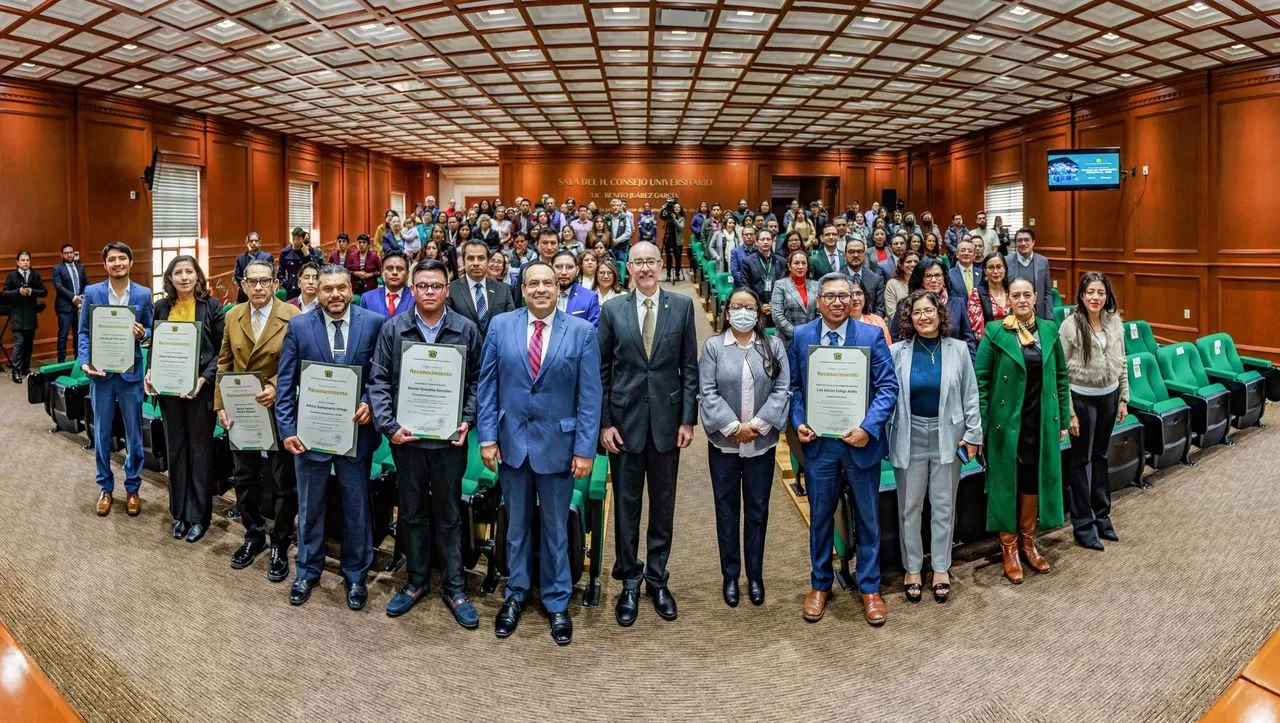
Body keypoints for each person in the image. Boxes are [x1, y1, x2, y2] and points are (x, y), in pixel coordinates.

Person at [477, 262, 601, 645]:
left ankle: (557, 601)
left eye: (548, 282)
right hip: (512, 444)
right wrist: (487, 437)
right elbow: (487, 386)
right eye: (534, 283)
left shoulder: (581, 332)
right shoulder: (500, 326)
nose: (541, 289)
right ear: (523, 289)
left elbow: (590, 397)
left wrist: (585, 449)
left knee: (555, 530)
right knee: (515, 528)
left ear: (558, 288)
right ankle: (515, 594)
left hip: (559, 447)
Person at [369, 259, 483, 627]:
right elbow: (378, 381)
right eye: (422, 286)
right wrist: (389, 426)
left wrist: (467, 419)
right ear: (412, 290)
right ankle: (415, 581)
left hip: (450, 444)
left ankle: (454, 586)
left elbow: (477, 382)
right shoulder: (393, 329)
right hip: (407, 441)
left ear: (447, 290)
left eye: (436, 286)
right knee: (412, 512)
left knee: (449, 514)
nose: (429, 291)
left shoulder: (466, 329)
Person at [787, 273, 898, 625]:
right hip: (820, 446)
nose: (837, 302)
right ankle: (820, 584)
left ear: (853, 300)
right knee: (820, 517)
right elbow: (794, 388)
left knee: (868, 518)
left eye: (844, 296)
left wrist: (868, 428)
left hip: (860, 444)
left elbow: (888, 387)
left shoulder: (869, 335)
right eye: (830, 296)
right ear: (818, 302)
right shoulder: (801, 336)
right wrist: (799, 421)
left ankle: (870, 587)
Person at [598, 241, 698, 627]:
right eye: (637, 262)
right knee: (626, 509)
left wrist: (687, 420)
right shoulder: (613, 310)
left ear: (660, 265)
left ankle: (657, 579)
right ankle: (629, 580)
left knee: (663, 506)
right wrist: (605, 423)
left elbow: (689, 367)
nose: (644, 268)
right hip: (624, 426)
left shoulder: (682, 306)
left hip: (667, 425)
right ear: (629, 268)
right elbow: (601, 370)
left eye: (650, 262)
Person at [275, 264, 382, 610]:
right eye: (327, 289)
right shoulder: (299, 326)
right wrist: (287, 430)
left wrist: (369, 402)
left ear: (351, 289)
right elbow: (285, 383)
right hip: (310, 434)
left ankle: (356, 575)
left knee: (356, 506)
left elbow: (381, 378)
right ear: (316, 292)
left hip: (356, 433)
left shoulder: (374, 323)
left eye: (341, 288)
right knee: (310, 505)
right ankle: (307, 571)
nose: (335, 295)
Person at [975, 277, 1071, 585]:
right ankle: (1009, 546)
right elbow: (981, 382)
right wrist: (982, 427)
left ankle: (1028, 542)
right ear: (1008, 299)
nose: (1021, 300)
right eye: (1015, 295)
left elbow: (1061, 376)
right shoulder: (995, 332)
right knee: (1006, 482)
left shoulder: (1049, 330)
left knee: (1031, 480)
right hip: (1005, 424)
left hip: (1039, 421)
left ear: (1035, 296)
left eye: (1026, 294)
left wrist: (1064, 419)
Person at [888, 290, 982, 604]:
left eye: (929, 310)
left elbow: (970, 395)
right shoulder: (896, 351)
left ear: (940, 314)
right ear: (909, 319)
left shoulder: (958, 349)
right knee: (910, 506)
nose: (923, 317)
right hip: (909, 435)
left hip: (948, 436)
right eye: (917, 312)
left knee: (943, 505)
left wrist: (973, 435)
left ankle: (941, 566)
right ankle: (912, 568)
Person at [698, 288, 790, 608]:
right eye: (737, 306)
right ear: (727, 312)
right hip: (723, 444)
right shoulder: (714, 347)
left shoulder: (773, 345)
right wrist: (734, 428)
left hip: (761, 445)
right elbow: (707, 392)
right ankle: (730, 575)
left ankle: (755, 576)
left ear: (758, 312)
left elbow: (782, 389)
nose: (743, 312)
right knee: (726, 511)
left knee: (757, 511)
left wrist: (758, 426)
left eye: (749, 307)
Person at [217, 259, 300, 582]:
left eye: (265, 281)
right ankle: (253, 534)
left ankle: (280, 541)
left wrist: (276, 387)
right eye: (252, 281)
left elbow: (300, 362)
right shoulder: (233, 315)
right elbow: (224, 362)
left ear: (275, 283)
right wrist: (221, 405)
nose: (259, 287)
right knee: (244, 476)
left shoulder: (292, 315)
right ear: (243, 285)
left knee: (282, 480)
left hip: (278, 407)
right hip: (242, 408)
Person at [147, 256, 224, 543]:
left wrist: (203, 379)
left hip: (199, 393)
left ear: (197, 276)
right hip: (169, 394)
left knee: (199, 454)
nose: (184, 277)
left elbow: (221, 352)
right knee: (176, 452)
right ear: (170, 278)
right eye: (177, 272)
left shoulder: (211, 306)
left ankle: (199, 516)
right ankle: (179, 513)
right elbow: (156, 346)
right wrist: (150, 372)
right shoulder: (161, 307)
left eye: (189, 271)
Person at [78, 242, 153, 517]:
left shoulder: (143, 294)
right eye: (112, 259)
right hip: (101, 375)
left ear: (131, 262)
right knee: (101, 433)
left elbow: (151, 330)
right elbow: (83, 332)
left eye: (122, 258)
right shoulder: (92, 292)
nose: (117, 263)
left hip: (130, 375)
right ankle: (105, 487)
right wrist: (85, 361)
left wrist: (143, 334)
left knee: (134, 435)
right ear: (105, 264)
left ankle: (132, 488)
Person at [1059, 271, 1129, 550]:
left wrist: (1124, 398)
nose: (1095, 297)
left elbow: (1122, 361)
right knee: (1081, 461)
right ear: (1081, 295)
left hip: (1109, 398)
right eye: (1090, 292)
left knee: (1100, 457)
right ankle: (1083, 524)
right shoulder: (1070, 326)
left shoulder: (1114, 322)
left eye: (1100, 292)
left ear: (1107, 295)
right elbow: (1060, 372)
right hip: (1082, 401)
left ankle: (1102, 516)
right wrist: (1069, 412)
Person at [891, 259, 978, 360]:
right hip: (915, 359)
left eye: (938, 275)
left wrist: (970, 362)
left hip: (953, 361)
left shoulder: (957, 303)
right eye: (928, 276)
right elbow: (897, 337)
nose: (934, 280)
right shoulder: (906, 304)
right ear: (920, 279)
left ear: (944, 278)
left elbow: (968, 339)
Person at [447, 241, 515, 337]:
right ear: (463, 261)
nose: (476, 263)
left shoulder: (504, 290)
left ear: (487, 260)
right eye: (471, 258)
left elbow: (510, 324)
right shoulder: (451, 289)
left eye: (481, 258)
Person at [3, 251, 47, 382]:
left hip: (30, 314)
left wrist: (32, 291)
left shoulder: (35, 275)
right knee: (19, 342)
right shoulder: (11, 276)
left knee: (28, 344)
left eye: (27, 260)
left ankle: (25, 368)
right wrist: (18, 291)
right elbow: (4, 293)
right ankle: (16, 371)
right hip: (17, 314)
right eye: (22, 260)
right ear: (17, 262)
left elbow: (44, 292)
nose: (25, 263)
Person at [770, 249, 818, 347]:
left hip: (811, 339)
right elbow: (777, 316)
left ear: (807, 266)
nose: (800, 266)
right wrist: (798, 335)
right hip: (787, 341)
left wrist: (810, 333)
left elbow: (820, 313)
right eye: (796, 263)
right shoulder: (780, 285)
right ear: (789, 266)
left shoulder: (816, 285)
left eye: (803, 263)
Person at [737, 229, 785, 324]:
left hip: (778, 309)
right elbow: (745, 287)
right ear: (756, 242)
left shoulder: (781, 261)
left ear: (772, 241)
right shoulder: (747, 262)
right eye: (762, 239)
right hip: (756, 310)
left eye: (768, 239)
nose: (766, 242)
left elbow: (785, 286)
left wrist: (776, 304)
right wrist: (759, 305)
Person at [1005, 228, 1053, 319]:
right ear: (1016, 243)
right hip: (1013, 315)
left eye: (1026, 240)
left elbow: (1047, 293)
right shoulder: (1006, 261)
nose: (1023, 243)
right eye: (1019, 240)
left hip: (1038, 314)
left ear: (1033, 242)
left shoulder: (1043, 261)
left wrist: (1049, 317)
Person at [52, 243, 88, 363]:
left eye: (71, 252)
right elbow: (59, 286)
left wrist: (83, 295)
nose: (69, 255)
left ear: (74, 253)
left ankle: (78, 361)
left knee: (79, 334)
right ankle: (61, 362)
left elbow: (86, 283)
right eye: (66, 253)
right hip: (65, 307)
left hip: (80, 306)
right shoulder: (57, 269)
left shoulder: (80, 267)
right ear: (61, 255)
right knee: (63, 335)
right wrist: (73, 297)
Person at [551, 249, 600, 326]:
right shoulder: (542, 294)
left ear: (577, 270)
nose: (564, 272)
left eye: (569, 267)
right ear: (551, 270)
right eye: (558, 267)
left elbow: (593, 330)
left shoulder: (590, 297)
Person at [358, 251, 411, 320]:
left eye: (399, 269)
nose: (394, 272)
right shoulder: (367, 298)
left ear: (407, 274)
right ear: (382, 272)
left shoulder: (416, 298)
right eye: (389, 268)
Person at [843, 239, 886, 317]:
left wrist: (865, 322)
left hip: (870, 322)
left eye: (859, 251)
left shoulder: (875, 279)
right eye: (851, 252)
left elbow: (880, 310)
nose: (856, 255)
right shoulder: (837, 279)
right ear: (845, 255)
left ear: (864, 255)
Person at [849, 276, 891, 346]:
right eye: (851, 294)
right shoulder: (838, 322)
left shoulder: (877, 321)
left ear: (865, 296)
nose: (855, 298)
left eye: (859, 293)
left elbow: (887, 348)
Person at [976, 251, 1012, 328]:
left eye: (999, 267)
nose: (995, 271)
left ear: (1005, 269)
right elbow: (978, 328)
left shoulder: (1013, 290)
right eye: (991, 267)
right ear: (985, 271)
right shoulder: (976, 294)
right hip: (989, 335)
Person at [234, 233, 273, 303]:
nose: (254, 243)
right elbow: (237, 276)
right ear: (247, 243)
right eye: (251, 241)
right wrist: (248, 286)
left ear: (259, 242)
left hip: (262, 291)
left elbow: (271, 275)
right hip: (244, 295)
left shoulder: (267, 257)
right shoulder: (240, 258)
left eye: (256, 241)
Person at [884, 251, 920, 325]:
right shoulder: (892, 284)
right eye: (909, 261)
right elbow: (892, 313)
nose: (913, 264)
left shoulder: (924, 282)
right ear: (902, 266)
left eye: (916, 261)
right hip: (899, 325)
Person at [660, 200, 686, 282]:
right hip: (669, 240)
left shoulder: (682, 218)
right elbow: (661, 217)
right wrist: (662, 209)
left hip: (678, 242)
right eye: (675, 207)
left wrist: (675, 219)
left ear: (680, 209)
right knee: (669, 258)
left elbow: (681, 228)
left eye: (678, 207)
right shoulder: (669, 216)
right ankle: (668, 275)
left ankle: (677, 274)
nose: (676, 208)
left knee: (678, 259)